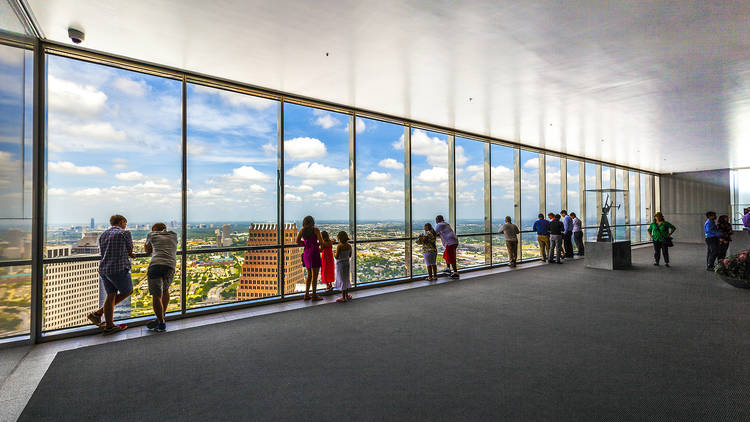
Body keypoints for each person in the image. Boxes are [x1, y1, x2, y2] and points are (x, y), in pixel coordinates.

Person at [86, 214, 135, 335]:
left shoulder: (103, 234)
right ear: (122, 221)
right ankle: (98, 313)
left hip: (104, 269)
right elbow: (130, 250)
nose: (125, 226)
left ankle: (109, 325)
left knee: (111, 295)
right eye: (125, 223)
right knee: (128, 291)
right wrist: (131, 254)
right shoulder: (124, 233)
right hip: (118, 268)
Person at [144, 222, 178, 332]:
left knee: (156, 295)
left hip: (156, 265)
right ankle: (162, 316)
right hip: (170, 266)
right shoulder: (173, 235)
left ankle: (161, 323)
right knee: (165, 290)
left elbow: (147, 250)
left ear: (154, 229)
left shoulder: (152, 235)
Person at [296, 215, 325, 300]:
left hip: (306, 253)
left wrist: (306, 243)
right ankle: (314, 295)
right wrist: (320, 249)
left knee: (309, 275)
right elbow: (322, 242)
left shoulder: (302, 230)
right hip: (314, 253)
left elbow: (297, 241)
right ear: (312, 222)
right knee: (315, 276)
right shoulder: (316, 230)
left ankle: (307, 294)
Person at [334, 231, 352, 302]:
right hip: (347, 263)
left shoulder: (339, 246)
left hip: (340, 264)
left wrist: (333, 253)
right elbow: (350, 255)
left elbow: (337, 257)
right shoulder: (349, 245)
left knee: (342, 280)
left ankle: (343, 297)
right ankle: (347, 295)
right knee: (346, 279)